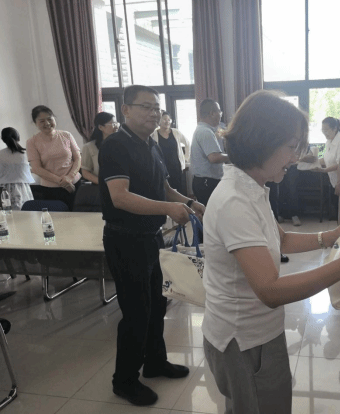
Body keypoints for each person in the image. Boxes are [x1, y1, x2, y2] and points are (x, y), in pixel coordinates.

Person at [202, 90, 340, 414]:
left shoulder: (252, 188)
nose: (294, 158)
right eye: (291, 147)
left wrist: (330, 236)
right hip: (243, 339)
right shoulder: (235, 200)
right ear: (262, 141)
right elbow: (270, 290)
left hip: (259, 332)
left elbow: (280, 240)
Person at [98, 85, 206, 407]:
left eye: (156, 107)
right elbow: (120, 197)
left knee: (159, 304)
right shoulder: (115, 145)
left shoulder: (152, 144)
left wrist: (190, 202)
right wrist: (168, 208)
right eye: (145, 106)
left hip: (152, 237)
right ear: (125, 110)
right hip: (125, 239)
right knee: (136, 312)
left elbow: (164, 187)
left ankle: (155, 362)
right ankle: (124, 380)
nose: (153, 113)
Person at [26, 105, 82, 210]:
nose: (47, 123)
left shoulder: (66, 135)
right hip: (51, 189)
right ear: (35, 123)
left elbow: (78, 158)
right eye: (42, 121)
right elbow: (36, 168)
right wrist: (62, 182)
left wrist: (70, 177)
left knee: (80, 216)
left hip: (75, 184)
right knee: (58, 217)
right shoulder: (32, 142)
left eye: (49, 119)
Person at [190, 99, 229, 206]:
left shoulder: (204, 130)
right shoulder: (205, 132)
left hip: (204, 181)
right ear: (212, 113)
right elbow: (214, 158)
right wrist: (233, 156)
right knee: (212, 213)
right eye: (219, 111)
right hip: (207, 182)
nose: (221, 114)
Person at [314, 117, 340, 220]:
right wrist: (311, 163)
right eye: (322, 130)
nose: (324, 132)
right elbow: (326, 159)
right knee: (337, 208)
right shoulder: (329, 141)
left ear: (335, 128)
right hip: (333, 180)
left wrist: (324, 170)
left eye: (326, 130)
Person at [153, 111, 190, 195]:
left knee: (179, 191)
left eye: (169, 119)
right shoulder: (154, 134)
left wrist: (186, 158)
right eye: (164, 119)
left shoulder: (176, 132)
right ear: (159, 121)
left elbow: (187, 143)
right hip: (163, 168)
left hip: (176, 167)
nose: (167, 121)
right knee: (166, 192)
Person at [0, 127, 34, 210]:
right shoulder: (27, 153)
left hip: (3, 189)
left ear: (3, 139)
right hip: (23, 189)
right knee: (25, 213)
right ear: (18, 137)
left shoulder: (1, 154)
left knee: (6, 214)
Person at [81, 112, 119, 185]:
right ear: (101, 127)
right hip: (101, 187)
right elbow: (85, 172)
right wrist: (103, 184)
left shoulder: (120, 144)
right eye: (113, 124)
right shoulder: (89, 147)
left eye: (117, 124)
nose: (116, 127)